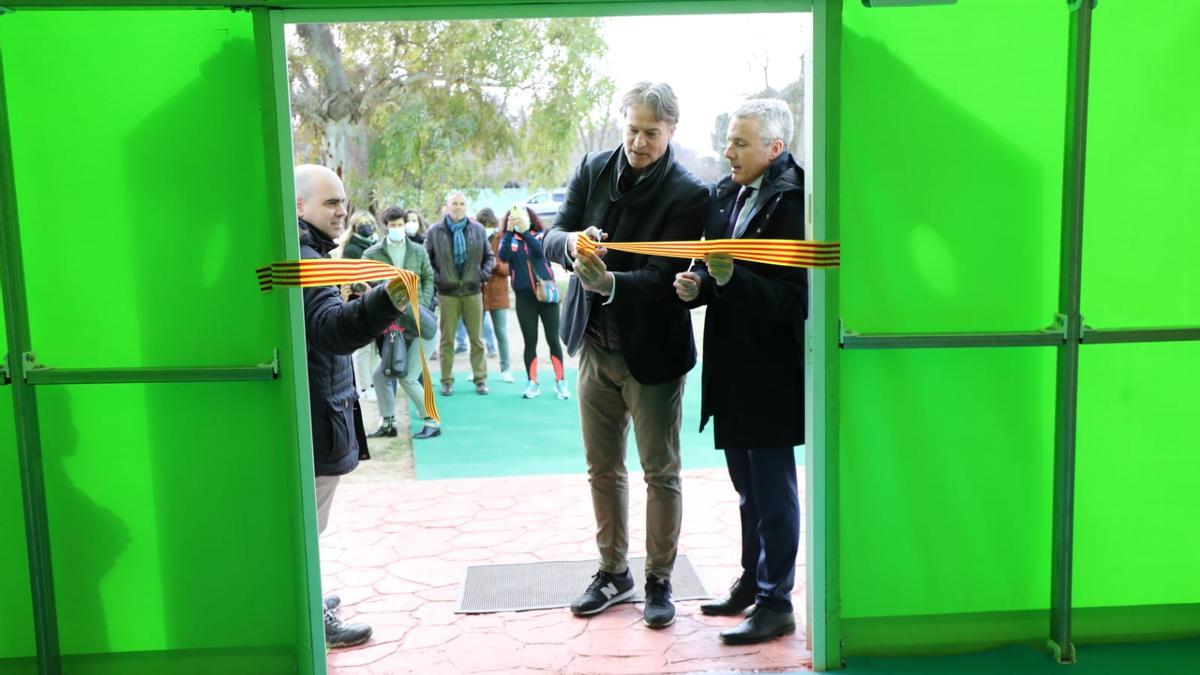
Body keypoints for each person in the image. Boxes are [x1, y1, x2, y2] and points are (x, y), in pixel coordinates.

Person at [541, 81, 709, 629]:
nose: (638, 142)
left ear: (672, 132)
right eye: (632, 129)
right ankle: (613, 572)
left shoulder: (689, 194)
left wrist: (609, 281)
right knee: (602, 468)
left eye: (651, 133)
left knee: (661, 472)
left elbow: (665, 279)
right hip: (592, 345)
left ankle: (660, 579)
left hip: (653, 356)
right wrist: (571, 245)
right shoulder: (593, 168)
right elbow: (553, 234)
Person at [673, 99, 807, 645]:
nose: (727, 151)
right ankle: (753, 583)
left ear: (774, 149)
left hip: (772, 372)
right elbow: (719, 269)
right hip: (731, 367)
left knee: (774, 496)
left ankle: (778, 603)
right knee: (748, 492)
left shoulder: (796, 202)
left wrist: (727, 282)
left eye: (740, 143)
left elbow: (797, 300)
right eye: (729, 141)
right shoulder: (728, 195)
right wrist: (699, 288)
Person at [293, 164, 412, 649]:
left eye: (343, 201)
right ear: (299, 207)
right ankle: (309, 615)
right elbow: (331, 329)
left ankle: (311, 598)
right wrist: (386, 301)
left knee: (310, 525)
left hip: (323, 412)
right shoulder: (304, 258)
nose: (341, 211)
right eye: (330, 203)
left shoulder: (310, 252)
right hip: (316, 417)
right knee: (305, 529)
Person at [364, 210, 440, 440]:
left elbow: (428, 277)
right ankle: (388, 423)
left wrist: (422, 305)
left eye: (400, 224)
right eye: (393, 224)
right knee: (381, 375)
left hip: (422, 328)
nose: (397, 228)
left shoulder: (418, 251)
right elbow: (365, 282)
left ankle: (432, 422)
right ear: (385, 226)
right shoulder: (372, 254)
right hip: (394, 327)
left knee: (408, 377)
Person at [425, 191, 494, 395]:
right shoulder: (435, 231)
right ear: (447, 206)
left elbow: (489, 256)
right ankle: (446, 380)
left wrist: (481, 274)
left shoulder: (478, 230)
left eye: (462, 203)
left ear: (466, 207)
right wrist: (440, 279)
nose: (458, 207)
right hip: (448, 293)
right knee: (447, 339)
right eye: (454, 203)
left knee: (477, 339)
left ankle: (480, 379)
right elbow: (426, 260)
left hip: (473, 291)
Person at [497, 205, 568, 400]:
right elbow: (502, 257)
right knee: (530, 342)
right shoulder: (509, 239)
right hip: (524, 298)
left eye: (522, 216)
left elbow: (539, 252)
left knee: (553, 339)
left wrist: (525, 231)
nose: (518, 218)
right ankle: (532, 382)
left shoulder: (539, 236)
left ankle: (561, 382)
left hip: (547, 295)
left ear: (530, 218)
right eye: (513, 217)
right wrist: (511, 231)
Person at [343, 210, 381, 401]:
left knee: (375, 347)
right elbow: (352, 277)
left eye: (369, 223)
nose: (366, 226)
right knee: (364, 349)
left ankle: (374, 382)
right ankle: (365, 386)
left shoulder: (376, 244)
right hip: (360, 300)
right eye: (362, 223)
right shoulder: (352, 249)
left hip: (376, 298)